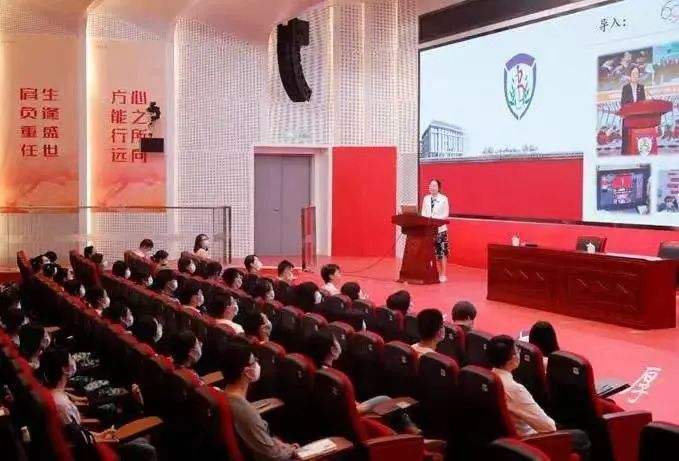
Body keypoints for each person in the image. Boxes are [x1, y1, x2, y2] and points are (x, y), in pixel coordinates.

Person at [40, 348, 157, 461]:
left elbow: (78, 434)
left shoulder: (55, 395)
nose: (74, 361)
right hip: (92, 453)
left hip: (90, 442)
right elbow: (79, 442)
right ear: (64, 369)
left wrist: (100, 434)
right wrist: (104, 439)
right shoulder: (62, 405)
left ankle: (137, 409)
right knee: (147, 449)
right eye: (71, 359)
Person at [488, 335, 591, 460]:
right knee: (581, 437)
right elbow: (548, 427)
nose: (519, 353)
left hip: (506, 441)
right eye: (517, 350)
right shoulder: (514, 389)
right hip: (529, 443)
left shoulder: (490, 379)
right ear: (512, 358)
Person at [306, 330, 420, 434]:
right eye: (336, 341)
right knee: (386, 400)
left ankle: (407, 428)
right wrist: (363, 407)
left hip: (337, 417)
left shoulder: (315, 370)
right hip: (347, 419)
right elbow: (346, 411)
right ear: (333, 350)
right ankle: (412, 431)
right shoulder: (333, 378)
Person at [221, 343, 299, 460]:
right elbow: (273, 455)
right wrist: (291, 451)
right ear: (247, 371)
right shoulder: (244, 410)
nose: (257, 364)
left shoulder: (225, 395)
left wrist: (276, 443)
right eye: (254, 361)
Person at [528, 322, 623, 415]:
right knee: (612, 406)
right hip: (572, 406)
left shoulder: (529, 360)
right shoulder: (557, 363)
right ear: (552, 340)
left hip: (553, 404)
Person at [421, 179, 450, 282]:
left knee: (442, 252)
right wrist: (428, 220)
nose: (432, 188)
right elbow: (423, 213)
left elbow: (446, 214)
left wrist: (435, 219)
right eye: (430, 185)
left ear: (438, 188)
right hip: (429, 230)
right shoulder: (426, 198)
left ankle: (443, 274)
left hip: (440, 229)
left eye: (434, 186)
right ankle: (433, 273)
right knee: (431, 253)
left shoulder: (444, 199)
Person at [620, 67, 647, 154]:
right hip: (628, 118)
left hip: (638, 120)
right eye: (633, 73)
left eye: (637, 73)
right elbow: (623, 103)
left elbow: (643, 103)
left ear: (639, 75)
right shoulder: (625, 88)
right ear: (630, 75)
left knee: (637, 141)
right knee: (627, 143)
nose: (635, 75)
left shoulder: (641, 87)